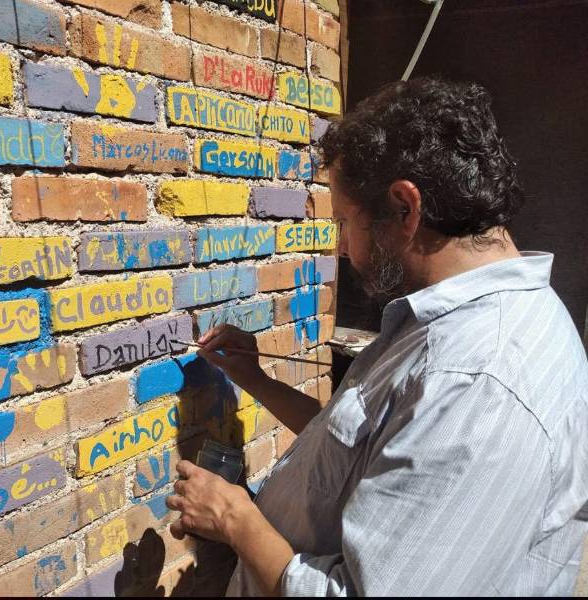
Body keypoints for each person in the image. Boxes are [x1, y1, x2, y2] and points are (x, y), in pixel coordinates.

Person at [165, 77, 588, 596]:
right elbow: (362, 448)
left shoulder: (478, 380)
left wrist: (236, 520)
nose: (342, 247)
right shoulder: (453, 323)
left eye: (345, 222)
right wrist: (255, 379)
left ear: (404, 209)